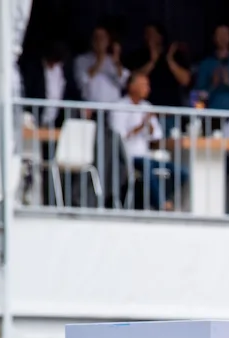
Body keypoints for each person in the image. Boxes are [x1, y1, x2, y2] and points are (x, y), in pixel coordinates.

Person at [110, 73, 187, 211]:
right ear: (132, 87)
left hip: (146, 156)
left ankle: (160, 200)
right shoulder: (119, 106)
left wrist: (150, 129)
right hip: (127, 157)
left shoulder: (147, 106)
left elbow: (156, 136)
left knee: (182, 172)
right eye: (144, 85)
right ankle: (162, 205)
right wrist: (141, 126)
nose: (148, 89)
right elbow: (118, 137)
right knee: (146, 165)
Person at [126, 24, 190, 110]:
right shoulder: (139, 56)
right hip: (145, 109)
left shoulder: (174, 55)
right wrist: (152, 62)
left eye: (152, 34)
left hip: (171, 111)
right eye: (147, 34)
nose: (149, 37)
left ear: (160, 36)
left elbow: (186, 81)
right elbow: (133, 80)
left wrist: (170, 60)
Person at [193, 25, 229, 111]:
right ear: (214, 38)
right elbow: (197, 96)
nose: (222, 37)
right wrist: (212, 85)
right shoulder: (206, 64)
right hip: (213, 114)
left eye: (225, 34)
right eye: (219, 34)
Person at [74, 25, 128, 104]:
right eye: (97, 38)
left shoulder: (113, 60)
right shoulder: (82, 60)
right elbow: (82, 81)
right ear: (92, 40)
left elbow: (124, 81)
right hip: (91, 108)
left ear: (108, 41)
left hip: (112, 109)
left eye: (102, 38)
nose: (99, 41)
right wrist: (100, 59)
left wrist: (116, 61)